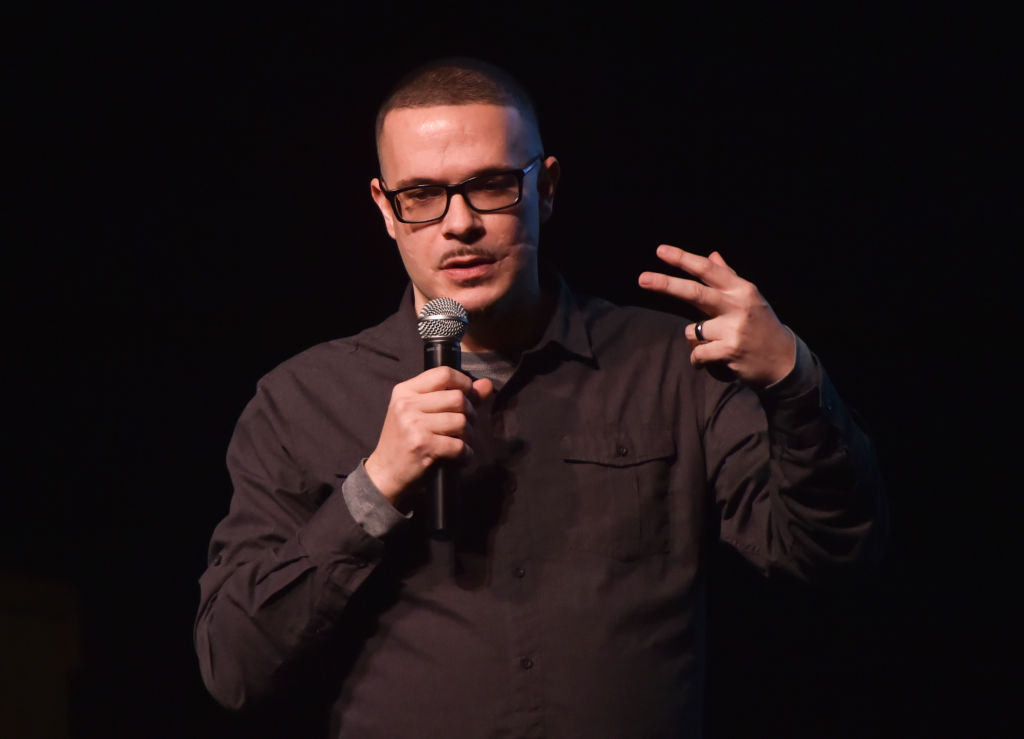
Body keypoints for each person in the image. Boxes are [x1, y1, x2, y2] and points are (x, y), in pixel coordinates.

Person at [194, 58, 885, 737]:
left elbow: (824, 553)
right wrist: (372, 492)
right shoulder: (301, 401)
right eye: (423, 195)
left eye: (491, 185)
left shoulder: (669, 366)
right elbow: (234, 665)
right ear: (385, 207)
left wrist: (793, 377)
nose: (458, 223)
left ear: (545, 187)